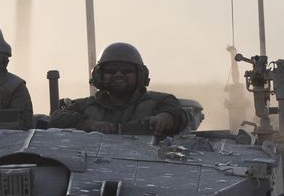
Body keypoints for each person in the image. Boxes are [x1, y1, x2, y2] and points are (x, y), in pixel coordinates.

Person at [50, 42, 189, 137]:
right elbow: (56, 119)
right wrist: (89, 124)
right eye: (110, 71)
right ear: (99, 76)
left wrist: (164, 119)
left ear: (140, 76)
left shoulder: (159, 101)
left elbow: (179, 115)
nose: (118, 75)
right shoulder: (86, 106)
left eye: (126, 71)